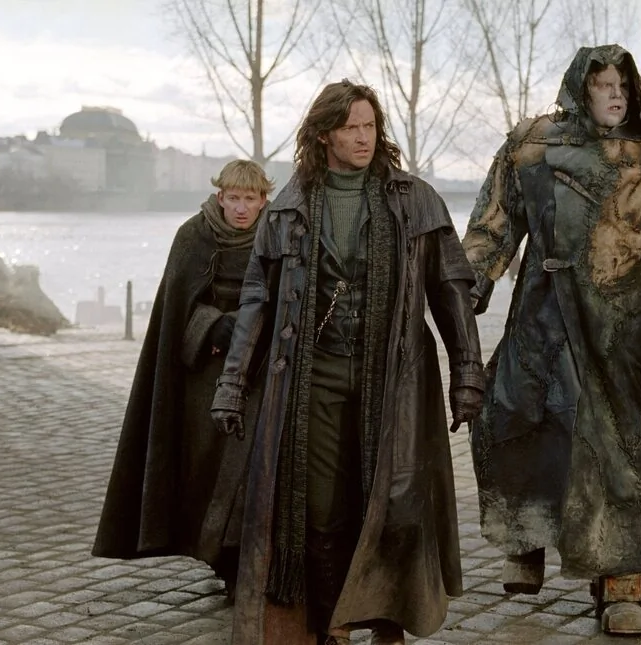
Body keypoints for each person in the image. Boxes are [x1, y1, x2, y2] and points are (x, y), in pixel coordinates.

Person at [461, 44, 641, 636]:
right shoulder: (531, 146)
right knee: (515, 416)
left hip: (617, 324)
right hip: (540, 315)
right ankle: (527, 537)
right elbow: (492, 226)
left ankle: (622, 580)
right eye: (602, 85)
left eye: (623, 84)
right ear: (580, 89)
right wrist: (462, 290)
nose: (615, 95)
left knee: (616, 443)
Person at [210, 79, 485, 645]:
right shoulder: (288, 208)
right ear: (323, 135)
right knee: (319, 507)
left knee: (396, 501)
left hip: (396, 376)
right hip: (315, 376)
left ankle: (388, 619)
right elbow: (257, 301)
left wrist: (467, 374)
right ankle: (331, 622)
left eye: (370, 126)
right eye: (350, 127)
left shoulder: (415, 199)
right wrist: (231, 383)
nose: (364, 138)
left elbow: (451, 288)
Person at [92, 159, 274, 601]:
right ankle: (216, 556)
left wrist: (251, 331)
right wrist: (212, 326)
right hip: (201, 377)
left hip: (258, 371)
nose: (241, 208)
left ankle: (240, 563)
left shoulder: (278, 237)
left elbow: (289, 298)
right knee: (204, 470)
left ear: (263, 200)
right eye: (234, 198)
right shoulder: (193, 236)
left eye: (250, 199)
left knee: (248, 469)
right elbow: (174, 310)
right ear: (220, 197)